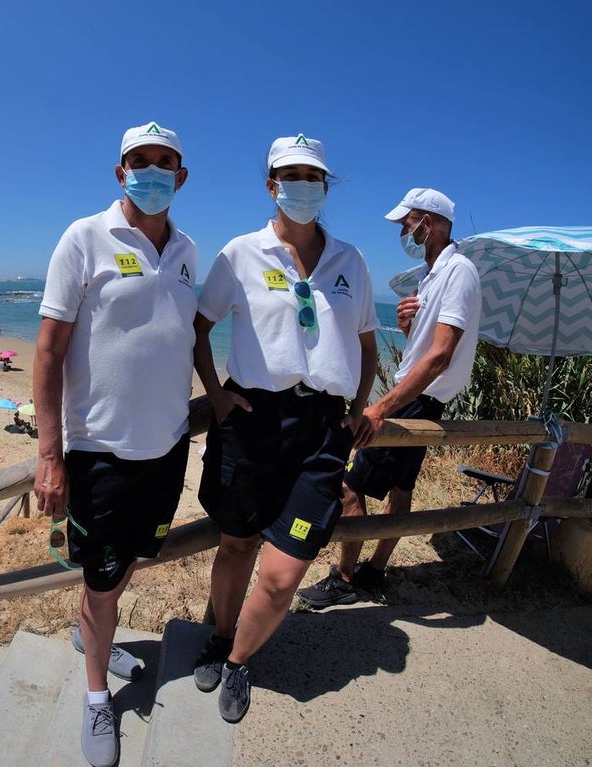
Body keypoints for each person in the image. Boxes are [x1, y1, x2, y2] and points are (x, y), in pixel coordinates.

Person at [191, 134, 378, 725]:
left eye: (313, 176)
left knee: (284, 570)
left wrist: (360, 407)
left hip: (322, 430)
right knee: (237, 542)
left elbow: (368, 344)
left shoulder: (351, 261)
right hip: (253, 421)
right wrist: (215, 396)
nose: (303, 186)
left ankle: (241, 660)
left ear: (326, 186)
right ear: (271, 185)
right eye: (290, 176)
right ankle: (220, 641)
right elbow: (199, 328)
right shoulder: (240, 253)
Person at [34, 120, 197, 767]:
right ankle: (98, 695)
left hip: (168, 449)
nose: (152, 171)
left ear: (181, 177)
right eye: (140, 160)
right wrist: (49, 455)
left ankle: (90, 634)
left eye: (165, 162)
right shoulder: (83, 238)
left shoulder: (186, 249)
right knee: (101, 584)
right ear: (120, 171)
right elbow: (47, 351)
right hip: (100, 455)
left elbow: (193, 332)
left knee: (131, 562)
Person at [298, 188, 480, 608]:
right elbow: (426, 346)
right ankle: (375, 570)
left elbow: (440, 356)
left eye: (407, 223)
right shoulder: (429, 274)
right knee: (400, 488)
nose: (404, 230)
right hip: (423, 396)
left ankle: (344, 578)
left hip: (420, 398)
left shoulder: (459, 272)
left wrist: (379, 408)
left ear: (428, 222)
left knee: (347, 484)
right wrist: (406, 325)